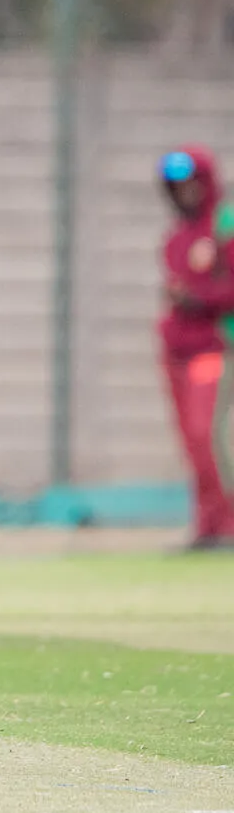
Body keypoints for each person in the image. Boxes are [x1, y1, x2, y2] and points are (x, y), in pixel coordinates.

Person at [158, 146, 234, 552]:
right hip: (177, 351)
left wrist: (198, 299)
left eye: (191, 184)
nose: (185, 192)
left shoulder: (225, 227)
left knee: (209, 435)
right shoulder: (176, 237)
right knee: (191, 440)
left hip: (212, 347)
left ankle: (228, 525)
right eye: (177, 186)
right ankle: (208, 526)